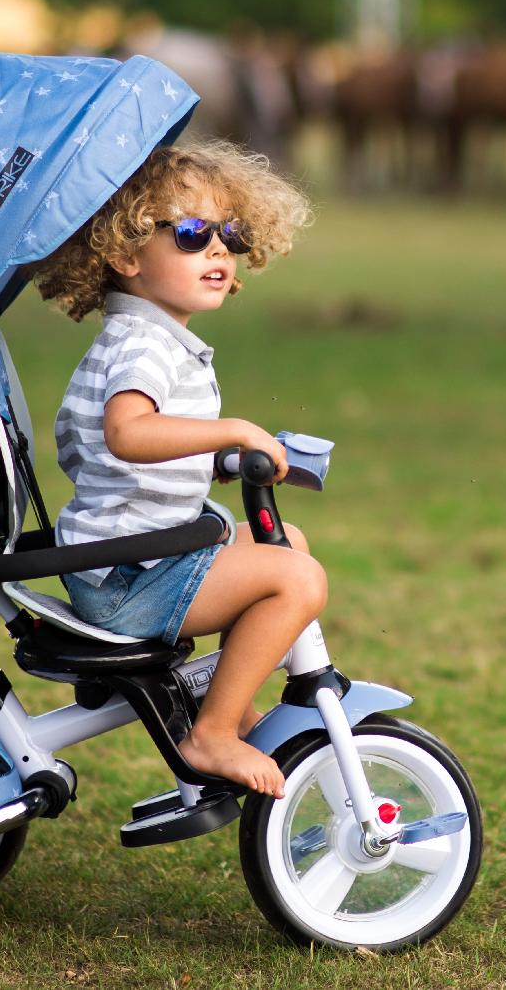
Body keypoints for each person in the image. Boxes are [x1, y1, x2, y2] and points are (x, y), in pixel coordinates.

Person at [34, 138, 318, 798]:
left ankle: (230, 704)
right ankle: (212, 732)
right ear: (127, 253)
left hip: (135, 558)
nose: (218, 249)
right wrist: (235, 430)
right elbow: (128, 434)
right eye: (192, 233)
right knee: (295, 580)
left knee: (287, 545)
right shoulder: (140, 343)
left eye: (230, 233)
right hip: (128, 578)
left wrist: (213, 457)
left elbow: (139, 451)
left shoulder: (157, 336)